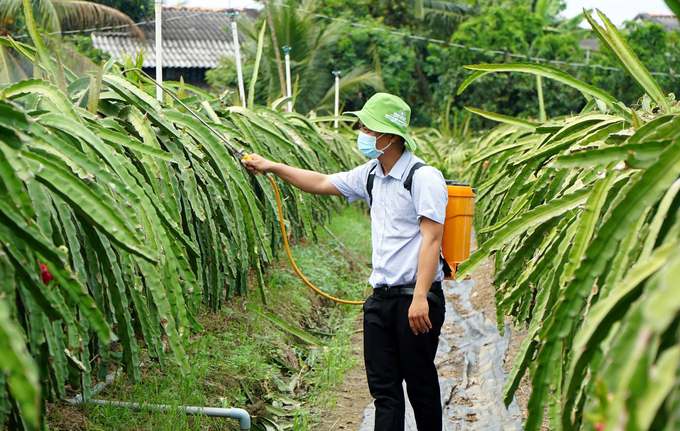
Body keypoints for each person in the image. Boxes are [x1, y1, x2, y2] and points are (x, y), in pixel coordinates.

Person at [242, 93, 448, 431]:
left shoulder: (423, 178)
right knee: (385, 391)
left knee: (421, 386)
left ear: (390, 136)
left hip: (416, 299)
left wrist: (421, 297)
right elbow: (322, 182)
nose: (362, 133)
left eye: (368, 127)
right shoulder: (371, 174)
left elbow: (432, 239)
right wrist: (273, 167)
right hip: (379, 300)